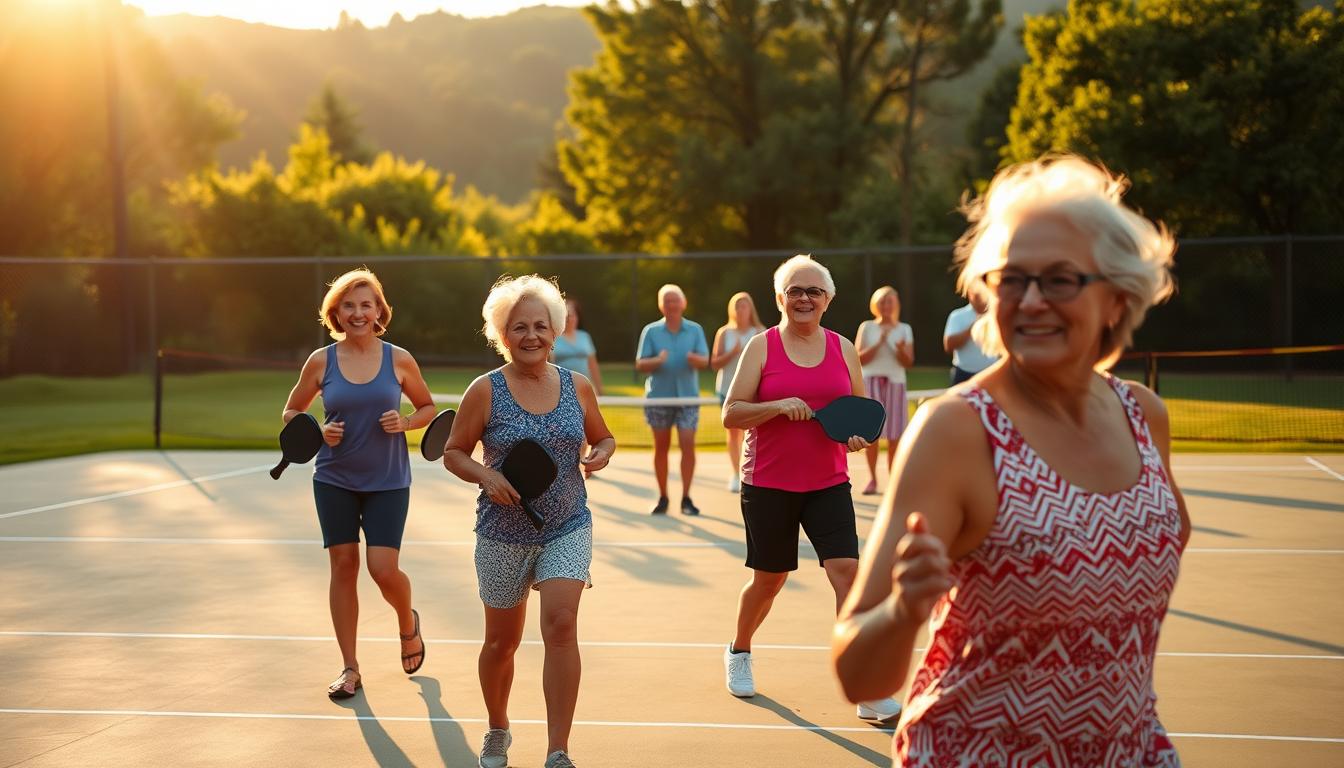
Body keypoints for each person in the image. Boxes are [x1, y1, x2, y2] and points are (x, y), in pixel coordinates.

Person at [831, 155, 1188, 765]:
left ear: (1117, 298)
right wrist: (904, 609)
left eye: (1059, 279)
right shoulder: (957, 430)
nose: (1030, 301)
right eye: (1012, 279)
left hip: (1131, 752)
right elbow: (857, 675)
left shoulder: (1144, 418)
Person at [442, 275, 615, 768]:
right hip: (502, 534)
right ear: (503, 333)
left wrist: (600, 453)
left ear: (556, 330)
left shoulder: (576, 386)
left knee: (561, 625)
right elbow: (454, 452)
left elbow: (603, 437)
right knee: (502, 643)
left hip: (567, 525)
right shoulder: (485, 391)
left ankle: (558, 750)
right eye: (519, 327)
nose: (531, 335)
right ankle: (498, 726)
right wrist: (486, 476)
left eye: (541, 325)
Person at [721, 255, 902, 724]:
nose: (804, 298)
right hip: (768, 484)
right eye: (795, 291)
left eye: (813, 292)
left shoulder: (844, 347)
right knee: (769, 581)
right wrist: (778, 406)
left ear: (828, 300)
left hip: (828, 482)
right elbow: (731, 413)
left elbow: (857, 415)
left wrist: (858, 439)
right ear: (780, 298)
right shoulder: (761, 347)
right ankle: (740, 650)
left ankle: (864, 686)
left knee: (846, 573)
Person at [281, 268, 436, 700]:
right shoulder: (321, 361)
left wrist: (405, 422)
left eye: (365, 304)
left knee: (383, 569)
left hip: (388, 481)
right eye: (348, 305)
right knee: (344, 566)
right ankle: (350, 667)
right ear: (336, 312)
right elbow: (291, 413)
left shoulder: (399, 358)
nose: (357, 312)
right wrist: (317, 431)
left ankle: (407, 621)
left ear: (378, 310)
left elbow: (427, 407)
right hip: (334, 477)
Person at [635, 284, 710, 515]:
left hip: (688, 398)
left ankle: (686, 498)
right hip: (659, 398)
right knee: (661, 448)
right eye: (667, 301)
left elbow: (705, 361)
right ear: (661, 305)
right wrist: (657, 360)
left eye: (675, 300)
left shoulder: (695, 330)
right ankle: (663, 497)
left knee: (688, 445)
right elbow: (640, 364)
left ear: (683, 303)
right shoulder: (651, 331)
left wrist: (694, 359)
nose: (671, 304)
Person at [854, 286, 914, 495]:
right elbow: (858, 358)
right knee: (871, 434)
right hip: (870, 382)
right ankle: (872, 479)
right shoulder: (868, 327)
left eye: (890, 302)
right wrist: (879, 342)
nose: (886, 306)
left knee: (895, 435)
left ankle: (894, 481)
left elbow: (908, 362)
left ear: (896, 304)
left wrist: (898, 348)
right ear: (876, 305)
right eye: (882, 302)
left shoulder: (904, 329)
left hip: (895, 383)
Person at [711, 291, 766, 493]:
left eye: (744, 306)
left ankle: (751, 472)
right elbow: (715, 363)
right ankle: (736, 474)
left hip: (754, 392)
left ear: (750, 309)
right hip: (727, 390)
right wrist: (732, 353)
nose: (740, 310)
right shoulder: (724, 333)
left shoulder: (760, 332)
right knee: (733, 434)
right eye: (737, 306)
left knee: (753, 434)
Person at [942, 291, 997, 384]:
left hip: (991, 373)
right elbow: (949, 346)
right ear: (969, 294)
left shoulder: (997, 315)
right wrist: (973, 328)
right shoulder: (957, 316)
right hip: (963, 374)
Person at [552, 297, 603, 394]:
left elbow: (593, 365)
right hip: (560, 390)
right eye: (565, 315)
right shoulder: (553, 337)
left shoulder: (585, 337)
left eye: (572, 315)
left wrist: (599, 389)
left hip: (584, 388)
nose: (569, 318)